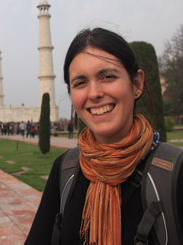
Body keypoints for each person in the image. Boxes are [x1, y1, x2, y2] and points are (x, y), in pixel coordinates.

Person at [24, 27, 183, 245]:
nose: (94, 93)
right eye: (80, 83)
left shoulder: (174, 173)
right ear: (71, 94)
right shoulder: (66, 170)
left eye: (107, 76)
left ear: (136, 84)